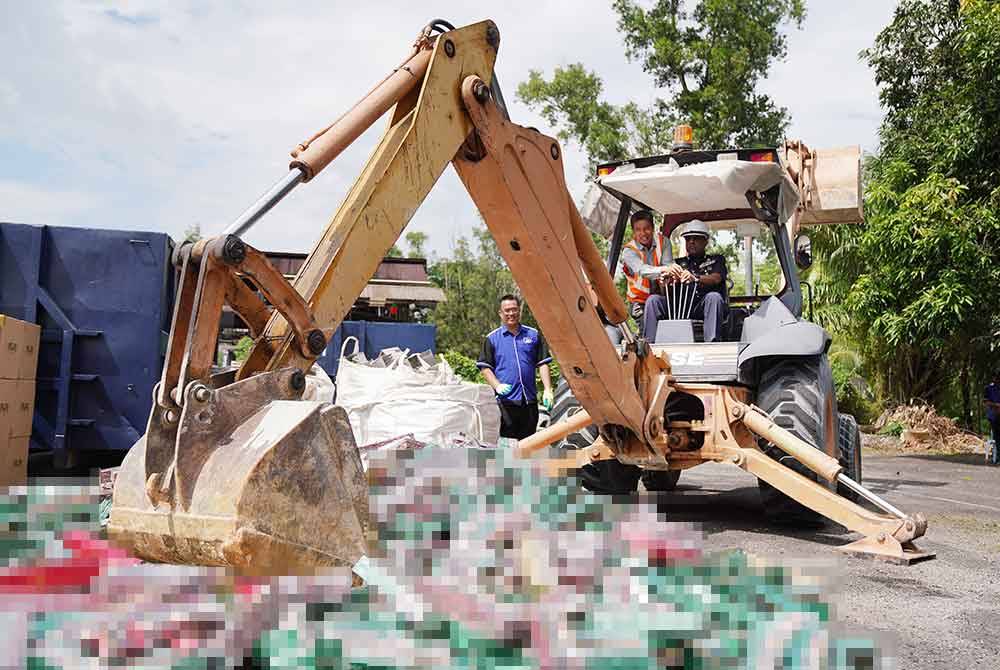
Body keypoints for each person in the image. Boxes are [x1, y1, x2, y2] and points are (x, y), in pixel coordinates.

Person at [477, 294, 554, 440]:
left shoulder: (533, 335)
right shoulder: (492, 339)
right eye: (507, 311)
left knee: (529, 442)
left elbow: (542, 363)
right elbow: (485, 367)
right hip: (506, 403)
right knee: (507, 444)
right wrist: (497, 386)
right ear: (500, 313)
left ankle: (525, 463)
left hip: (529, 401)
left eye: (514, 309)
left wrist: (548, 390)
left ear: (519, 311)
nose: (511, 314)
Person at [642, 219, 728, 342]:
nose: (691, 242)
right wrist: (663, 283)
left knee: (714, 297)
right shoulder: (676, 263)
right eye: (688, 239)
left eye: (696, 238)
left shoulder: (716, 260)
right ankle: (648, 345)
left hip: (701, 308)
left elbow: (716, 278)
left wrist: (695, 278)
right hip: (678, 308)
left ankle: (712, 342)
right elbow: (665, 292)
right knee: (653, 300)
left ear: (705, 241)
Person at [620, 210, 681, 336]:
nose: (643, 233)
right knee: (649, 335)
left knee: (669, 330)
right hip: (639, 302)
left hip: (659, 298)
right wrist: (664, 270)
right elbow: (642, 270)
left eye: (646, 228)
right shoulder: (629, 251)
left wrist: (668, 275)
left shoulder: (663, 242)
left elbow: (668, 265)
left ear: (653, 228)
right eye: (638, 230)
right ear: (633, 231)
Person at [985, 372, 1000, 464]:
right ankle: (997, 458)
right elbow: (986, 402)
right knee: (997, 437)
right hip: (994, 415)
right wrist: (996, 405)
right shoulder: (989, 389)